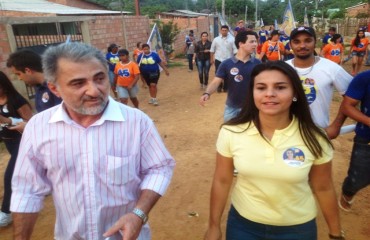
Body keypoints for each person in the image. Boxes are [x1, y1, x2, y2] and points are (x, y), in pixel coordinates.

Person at [10, 42, 175, 240]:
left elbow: (159, 168)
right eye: (78, 83)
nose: (94, 91)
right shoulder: (38, 127)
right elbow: (26, 190)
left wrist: (139, 214)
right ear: (54, 88)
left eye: (99, 79)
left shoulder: (137, 122)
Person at [204, 61, 344, 240]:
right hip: (243, 226)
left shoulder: (315, 138)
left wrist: (335, 233)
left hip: (298, 229)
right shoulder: (231, 132)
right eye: (261, 88)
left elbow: (323, 187)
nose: (270, 94)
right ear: (252, 93)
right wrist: (214, 226)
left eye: (280, 87)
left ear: (294, 93)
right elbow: (222, 180)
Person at [286, 26, 352, 139]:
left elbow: (352, 98)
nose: (302, 45)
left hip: (317, 135)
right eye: (296, 42)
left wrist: (337, 125)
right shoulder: (282, 68)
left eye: (308, 40)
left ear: (315, 42)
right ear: (290, 45)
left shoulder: (331, 68)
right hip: (285, 133)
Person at [200, 31, 261, 122]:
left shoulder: (258, 64)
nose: (255, 44)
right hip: (232, 109)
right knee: (229, 134)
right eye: (252, 42)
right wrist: (207, 93)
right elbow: (216, 81)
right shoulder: (226, 64)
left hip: (252, 109)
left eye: (256, 41)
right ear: (241, 44)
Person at [0, 71, 33, 227]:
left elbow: (31, 123)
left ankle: (5, 213)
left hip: (22, 141)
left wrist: (5, 120)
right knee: (26, 170)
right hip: (8, 142)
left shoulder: (16, 100)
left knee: (10, 176)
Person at [6, 49, 62, 133]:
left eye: (18, 74)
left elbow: (61, 121)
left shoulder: (56, 86)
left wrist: (30, 128)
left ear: (28, 71)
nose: (19, 78)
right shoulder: (38, 87)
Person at [338, 70, 370, 212]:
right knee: (357, 180)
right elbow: (347, 106)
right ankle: (348, 192)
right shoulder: (365, 78)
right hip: (367, 138)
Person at [210, 25, 237, 92]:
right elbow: (212, 50)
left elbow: (235, 50)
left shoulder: (232, 39)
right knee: (218, 73)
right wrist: (211, 59)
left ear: (228, 31)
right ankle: (219, 87)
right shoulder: (216, 39)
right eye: (223, 30)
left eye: (225, 30)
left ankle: (226, 87)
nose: (224, 32)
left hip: (228, 59)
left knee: (228, 73)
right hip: (218, 59)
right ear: (220, 31)